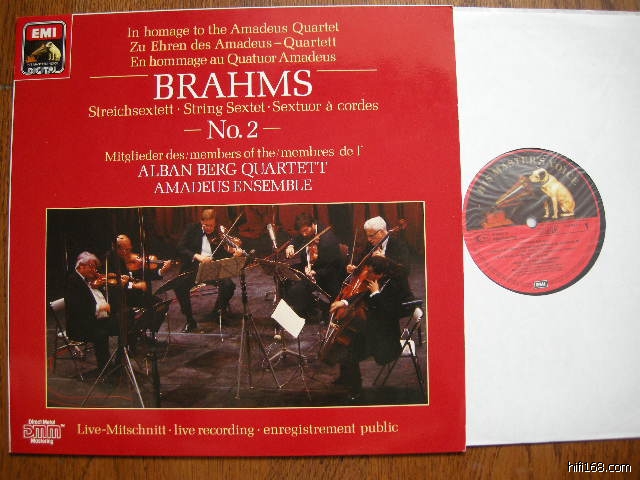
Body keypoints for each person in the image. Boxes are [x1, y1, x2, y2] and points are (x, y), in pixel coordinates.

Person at [328, 255, 412, 401]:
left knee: (350, 351)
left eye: (370, 272)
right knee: (347, 343)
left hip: (385, 338)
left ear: (380, 274)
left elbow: (390, 312)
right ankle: (346, 377)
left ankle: (355, 390)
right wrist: (344, 302)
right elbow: (363, 295)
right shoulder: (378, 280)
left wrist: (376, 294)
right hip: (373, 328)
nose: (366, 275)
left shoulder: (393, 286)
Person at [174, 208, 244, 333]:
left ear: (215, 223)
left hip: (212, 268)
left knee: (229, 285)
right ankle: (190, 320)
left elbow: (224, 251)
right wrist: (197, 256)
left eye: (211, 225)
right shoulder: (192, 229)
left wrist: (234, 252)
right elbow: (180, 248)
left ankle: (218, 312)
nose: (209, 228)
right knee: (179, 286)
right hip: (193, 268)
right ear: (201, 221)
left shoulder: (219, 232)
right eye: (206, 225)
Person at [64, 251, 119, 372]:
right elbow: (77, 308)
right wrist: (100, 307)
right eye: (91, 267)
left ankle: (119, 362)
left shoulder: (88, 280)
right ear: (81, 266)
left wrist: (103, 287)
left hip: (94, 320)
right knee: (102, 333)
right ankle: (104, 368)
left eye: (95, 267)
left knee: (123, 324)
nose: (94, 270)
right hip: (80, 325)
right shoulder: (73, 281)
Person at [284, 212, 344, 318]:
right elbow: (298, 237)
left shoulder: (327, 240)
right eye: (301, 231)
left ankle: (304, 314)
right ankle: (307, 307)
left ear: (313, 224)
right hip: (310, 265)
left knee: (298, 288)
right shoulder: (307, 228)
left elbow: (332, 267)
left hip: (326, 273)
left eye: (305, 231)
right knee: (285, 274)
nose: (304, 234)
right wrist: (291, 246)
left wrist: (315, 272)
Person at [346, 216, 411, 275]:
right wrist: (355, 268)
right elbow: (362, 263)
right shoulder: (370, 245)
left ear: (381, 232)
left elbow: (406, 271)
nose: (369, 239)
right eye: (367, 236)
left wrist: (385, 259)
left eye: (371, 236)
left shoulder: (399, 244)